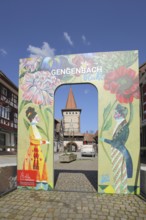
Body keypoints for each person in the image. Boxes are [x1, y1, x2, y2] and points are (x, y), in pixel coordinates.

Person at [100, 104, 133, 194]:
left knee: (119, 171)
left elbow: (117, 142)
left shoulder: (124, 127)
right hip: (118, 150)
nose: (114, 114)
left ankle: (119, 190)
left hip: (118, 150)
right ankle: (123, 190)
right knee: (121, 170)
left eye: (116, 113)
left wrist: (104, 139)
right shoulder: (120, 125)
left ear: (120, 114)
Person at [23, 107, 50, 190]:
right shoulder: (31, 128)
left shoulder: (35, 128)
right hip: (33, 151)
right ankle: (35, 183)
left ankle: (41, 182)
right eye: (37, 117)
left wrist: (45, 141)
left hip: (37, 150)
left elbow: (38, 139)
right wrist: (42, 142)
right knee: (35, 165)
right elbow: (33, 140)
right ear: (33, 118)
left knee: (40, 165)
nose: (38, 118)